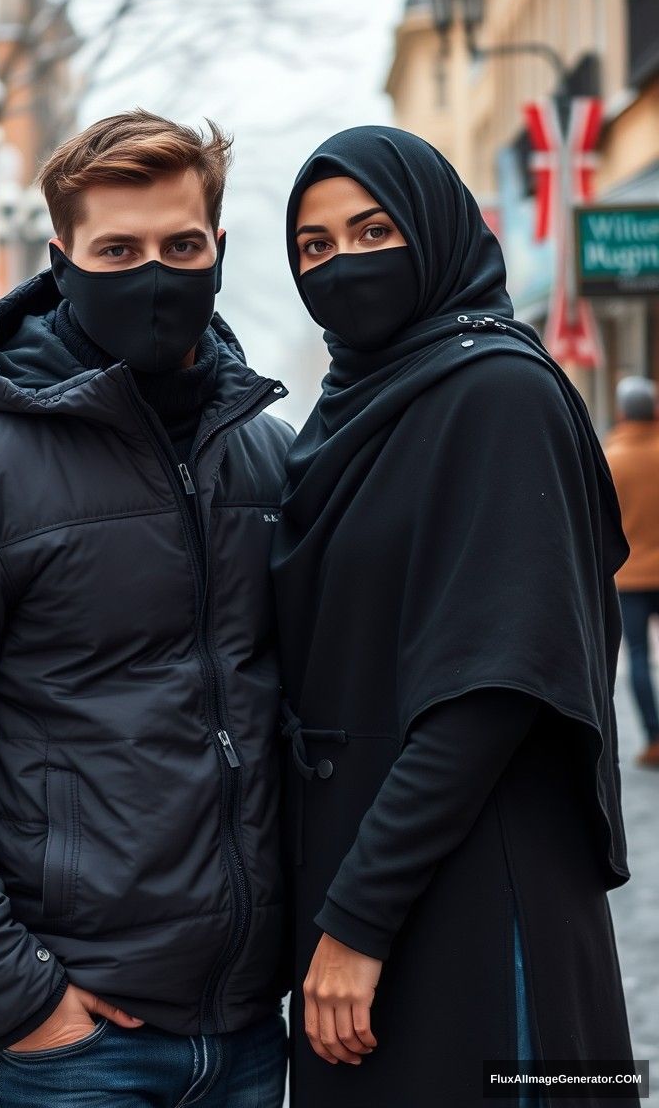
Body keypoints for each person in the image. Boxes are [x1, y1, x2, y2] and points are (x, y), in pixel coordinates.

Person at [0, 110, 293, 1108]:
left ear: (218, 249)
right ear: (61, 259)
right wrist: (19, 1004)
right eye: (117, 251)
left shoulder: (267, 456)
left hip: (253, 1033)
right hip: (77, 1050)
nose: (156, 275)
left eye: (182, 246)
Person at [271, 125, 637, 1108]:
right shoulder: (361, 406)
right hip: (379, 888)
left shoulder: (498, 394)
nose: (341, 262)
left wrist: (354, 922)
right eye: (313, 245)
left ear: (436, 231)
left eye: (372, 228)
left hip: (477, 894)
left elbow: (492, 688)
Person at [604, 375, 659, 767]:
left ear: (622, 411)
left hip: (631, 575)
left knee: (638, 655)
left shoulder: (610, 459)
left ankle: (655, 739)